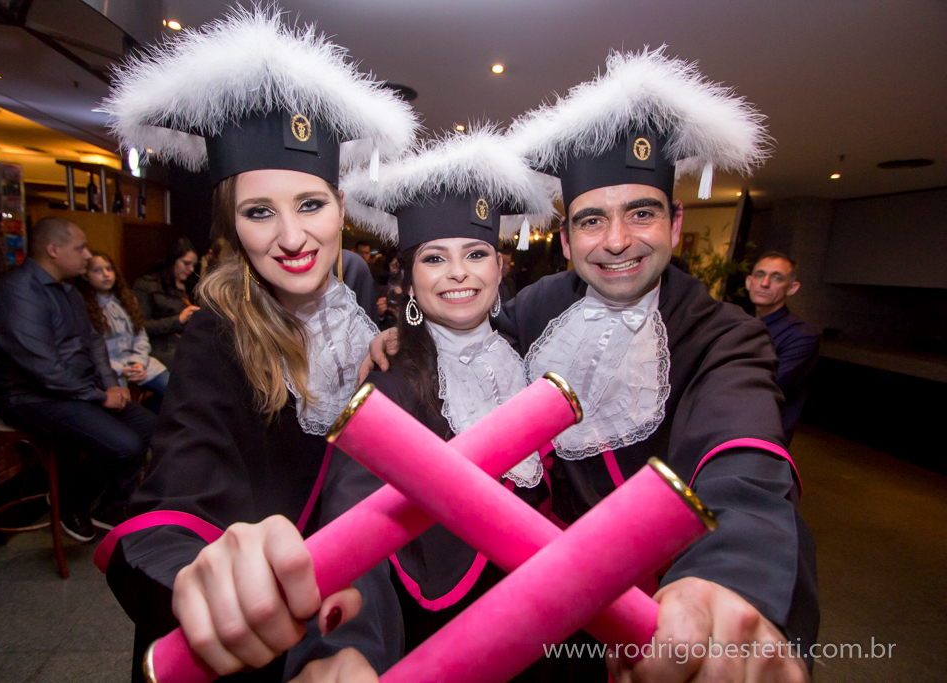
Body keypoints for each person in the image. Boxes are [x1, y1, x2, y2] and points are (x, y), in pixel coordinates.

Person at [368, 48, 819, 680]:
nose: (615, 241)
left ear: (675, 220)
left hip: (662, 602)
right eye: (591, 220)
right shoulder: (539, 308)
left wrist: (728, 578)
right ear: (567, 234)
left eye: (641, 212)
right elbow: (466, 338)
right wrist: (399, 338)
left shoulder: (723, 335)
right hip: (544, 592)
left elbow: (740, 462)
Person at [98, 7, 419, 682]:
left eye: (310, 204)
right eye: (259, 211)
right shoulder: (217, 324)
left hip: (358, 579)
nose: (292, 237)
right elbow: (180, 475)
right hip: (258, 613)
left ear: (340, 205)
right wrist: (198, 572)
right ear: (232, 223)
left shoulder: (354, 281)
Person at [322, 129, 556, 670]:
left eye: (476, 254)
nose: (458, 273)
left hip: (538, 600)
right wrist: (346, 642)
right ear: (407, 275)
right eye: (435, 258)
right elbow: (349, 516)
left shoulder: (525, 352)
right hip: (447, 609)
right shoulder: (393, 374)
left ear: (500, 267)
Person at [0, 217, 156, 542]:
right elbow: (42, 367)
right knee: (125, 445)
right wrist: (98, 396)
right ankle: (69, 497)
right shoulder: (18, 292)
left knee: (148, 426)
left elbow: (94, 344)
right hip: (31, 397)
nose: (87, 255)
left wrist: (110, 385)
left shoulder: (70, 291)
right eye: (79, 248)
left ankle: (112, 506)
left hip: (75, 391)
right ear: (53, 250)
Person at [746, 251, 820, 440]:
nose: (765, 283)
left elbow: (767, 387)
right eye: (760, 275)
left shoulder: (801, 336)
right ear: (749, 282)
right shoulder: (735, 324)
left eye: (777, 278)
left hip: (763, 437)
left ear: (792, 288)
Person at [77, 251, 170, 402]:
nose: (106, 274)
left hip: (137, 363)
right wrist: (121, 369)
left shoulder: (126, 300)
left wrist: (139, 362)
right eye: (97, 270)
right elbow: (92, 350)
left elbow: (140, 336)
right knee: (123, 402)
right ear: (85, 276)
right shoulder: (84, 307)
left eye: (109, 269)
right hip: (111, 367)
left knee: (172, 390)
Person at [133, 237, 200, 368]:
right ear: (172, 260)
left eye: (193, 265)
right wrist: (179, 320)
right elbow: (142, 327)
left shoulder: (191, 285)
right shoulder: (147, 285)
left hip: (189, 343)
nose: (191, 269)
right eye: (186, 264)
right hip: (162, 348)